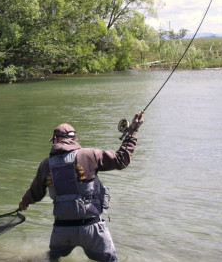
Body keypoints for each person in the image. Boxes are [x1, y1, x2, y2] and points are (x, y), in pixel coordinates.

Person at [18, 111, 144, 261]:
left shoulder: (46, 165)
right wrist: (134, 130)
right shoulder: (89, 155)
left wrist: (24, 203)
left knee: (53, 257)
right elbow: (121, 160)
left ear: (56, 140)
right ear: (75, 139)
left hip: (62, 230)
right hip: (92, 228)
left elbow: (35, 193)